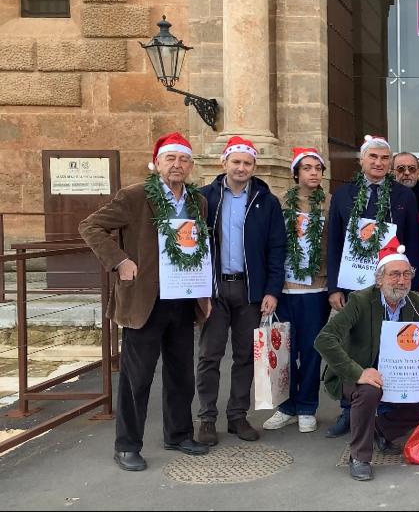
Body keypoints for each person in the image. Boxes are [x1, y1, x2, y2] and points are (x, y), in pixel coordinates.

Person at [79, 132, 211, 471]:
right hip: (144, 301)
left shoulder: (198, 202)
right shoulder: (135, 196)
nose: (177, 165)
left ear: (191, 165)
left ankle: (179, 434)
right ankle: (126, 445)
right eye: (171, 159)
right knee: (137, 378)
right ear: (158, 163)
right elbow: (91, 226)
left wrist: (203, 292)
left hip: (181, 299)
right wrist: (119, 261)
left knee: (181, 374)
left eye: (183, 159)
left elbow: (199, 249)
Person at [315, 239, 419, 481]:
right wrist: (358, 372)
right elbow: (324, 339)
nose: (401, 280)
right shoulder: (361, 301)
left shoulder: (416, 302)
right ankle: (359, 457)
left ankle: (381, 429)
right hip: (358, 375)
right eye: (394, 274)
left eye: (406, 274)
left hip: (401, 375)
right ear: (379, 279)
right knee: (368, 391)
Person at [324, 135, 419, 438]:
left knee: (387, 347)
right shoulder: (343, 195)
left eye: (383, 159)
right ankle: (347, 410)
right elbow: (335, 243)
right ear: (362, 160)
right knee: (351, 346)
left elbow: (413, 244)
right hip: (353, 288)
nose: (378, 163)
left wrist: (410, 286)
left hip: (391, 287)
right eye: (373, 158)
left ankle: (385, 413)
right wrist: (334, 288)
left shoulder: (403, 197)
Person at [196, 136, 287, 445]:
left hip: (250, 290)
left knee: (245, 356)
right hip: (216, 288)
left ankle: (237, 415)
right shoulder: (204, 198)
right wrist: (199, 290)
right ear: (224, 163)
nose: (241, 167)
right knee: (210, 355)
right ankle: (207, 417)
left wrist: (272, 290)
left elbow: (277, 249)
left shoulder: (266, 201)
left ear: (254, 167)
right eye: (235, 161)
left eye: (247, 163)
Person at [262, 148, 332, 434]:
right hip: (285, 289)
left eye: (318, 168)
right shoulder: (279, 203)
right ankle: (286, 406)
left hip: (316, 289)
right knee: (283, 351)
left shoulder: (330, 203)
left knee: (311, 350)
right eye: (307, 168)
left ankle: (307, 407)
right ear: (296, 173)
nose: (314, 172)